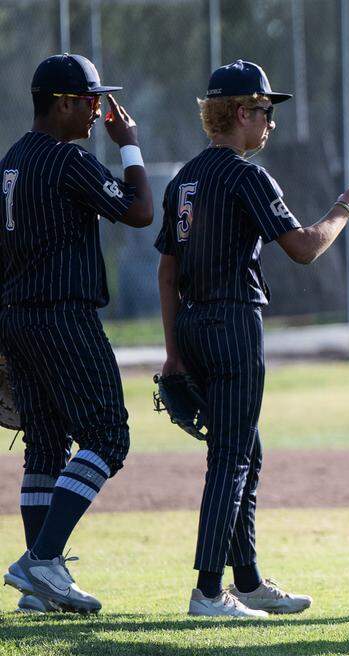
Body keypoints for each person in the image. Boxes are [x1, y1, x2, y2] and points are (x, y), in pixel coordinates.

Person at [154, 60, 349, 617]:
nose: (271, 122)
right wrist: (344, 209)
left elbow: (167, 272)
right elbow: (303, 248)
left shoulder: (184, 179)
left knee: (245, 451)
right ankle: (207, 591)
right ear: (238, 112)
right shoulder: (248, 176)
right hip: (231, 322)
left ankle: (246, 580)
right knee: (231, 456)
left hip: (193, 324)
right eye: (264, 110)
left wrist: (174, 350)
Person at [1, 53, 154, 614]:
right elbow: (140, 212)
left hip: (16, 315)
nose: (97, 112)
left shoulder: (11, 161)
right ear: (63, 102)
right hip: (63, 315)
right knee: (109, 436)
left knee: (44, 447)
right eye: (90, 101)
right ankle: (42, 561)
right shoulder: (69, 159)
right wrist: (129, 145)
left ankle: (40, 588)